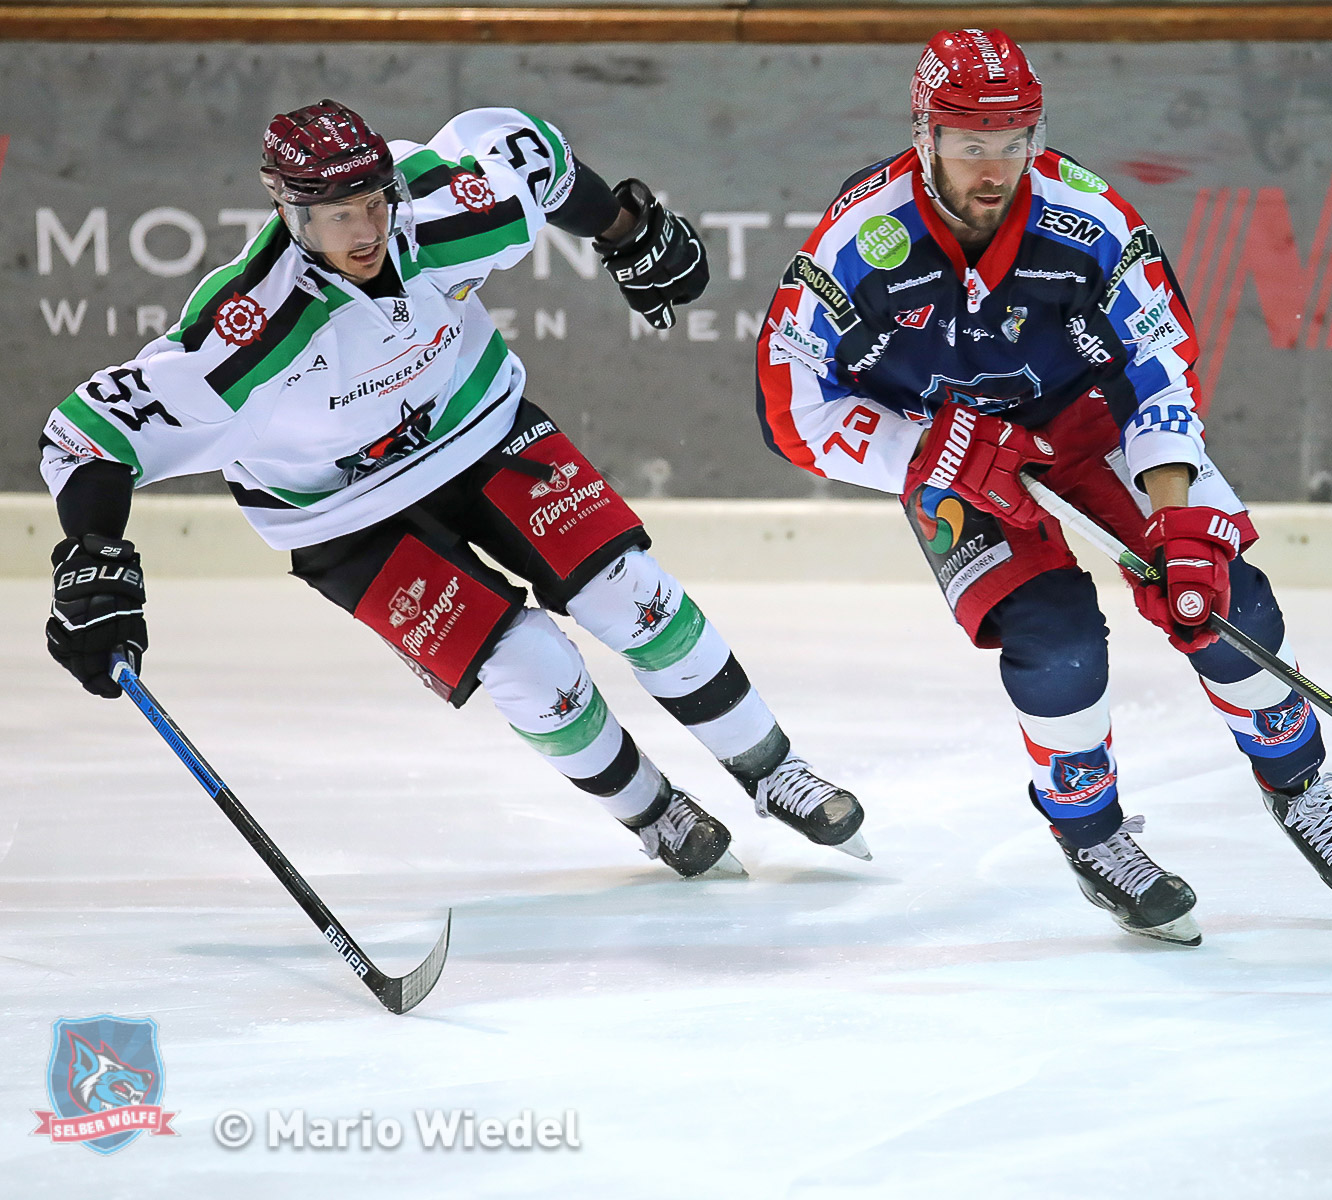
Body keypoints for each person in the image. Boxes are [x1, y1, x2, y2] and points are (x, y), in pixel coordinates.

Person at [42, 100, 868, 876]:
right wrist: (91, 555)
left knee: (629, 591)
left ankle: (777, 771)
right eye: (339, 215)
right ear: (289, 211)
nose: (368, 231)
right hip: (340, 515)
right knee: (528, 665)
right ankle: (654, 813)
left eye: (375, 202)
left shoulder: (443, 209)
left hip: (482, 425)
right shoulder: (244, 332)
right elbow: (89, 435)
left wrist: (627, 230)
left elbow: (533, 153)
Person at [755, 30, 1332, 944]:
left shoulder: (1088, 219)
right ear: (925, 136)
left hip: (1093, 428)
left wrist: (1178, 522)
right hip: (950, 455)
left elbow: (1161, 364)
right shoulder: (862, 239)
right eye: (970, 143)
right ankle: (1093, 836)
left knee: (1226, 603)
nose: (994, 167)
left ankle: (1299, 785)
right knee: (1055, 644)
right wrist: (926, 451)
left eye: (1014, 140)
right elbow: (790, 403)